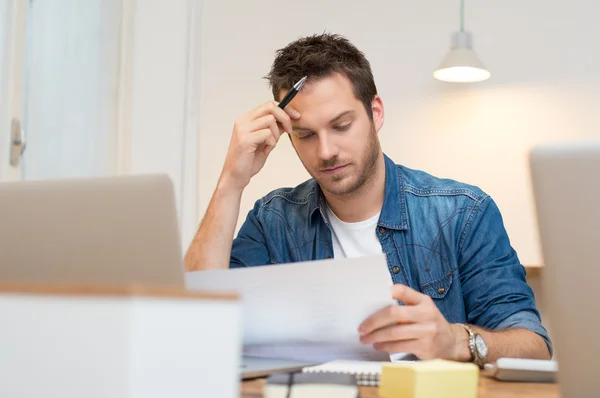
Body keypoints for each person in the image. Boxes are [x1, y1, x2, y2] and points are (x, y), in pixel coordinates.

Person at [185, 33, 551, 365]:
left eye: (341, 126)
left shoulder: (463, 213)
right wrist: (231, 182)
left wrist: (456, 341)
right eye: (306, 135)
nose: (326, 151)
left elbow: (533, 346)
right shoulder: (273, 220)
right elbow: (194, 324)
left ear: (375, 113)